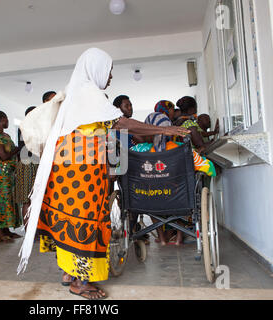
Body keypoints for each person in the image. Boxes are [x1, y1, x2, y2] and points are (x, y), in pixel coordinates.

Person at [18, 48, 189, 300]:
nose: (110, 76)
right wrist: (164, 130)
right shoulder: (89, 93)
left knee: (72, 217)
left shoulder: (77, 94)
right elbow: (120, 124)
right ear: (95, 68)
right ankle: (81, 282)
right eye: (108, 70)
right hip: (82, 169)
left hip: (68, 166)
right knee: (86, 219)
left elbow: (110, 133)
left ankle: (69, 273)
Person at [133, 111, 216, 246]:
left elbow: (120, 171)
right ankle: (178, 237)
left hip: (148, 200)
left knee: (151, 195)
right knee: (182, 191)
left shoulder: (137, 151)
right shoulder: (183, 150)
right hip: (178, 199)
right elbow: (209, 168)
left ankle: (162, 238)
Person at [0, 110, 23, 242]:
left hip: (8, 174)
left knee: (8, 201)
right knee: (0, 202)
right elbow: (3, 156)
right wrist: (18, 148)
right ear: (2, 119)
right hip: (0, 174)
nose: (8, 122)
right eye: (6, 119)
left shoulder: (6, 136)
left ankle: (7, 229)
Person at [16, 106, 40, 230]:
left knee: (29, 200)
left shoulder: (23, 128)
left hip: (27, 164)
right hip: (29, 164)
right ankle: (29, 230)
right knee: (28, 200)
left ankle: (30, 230)